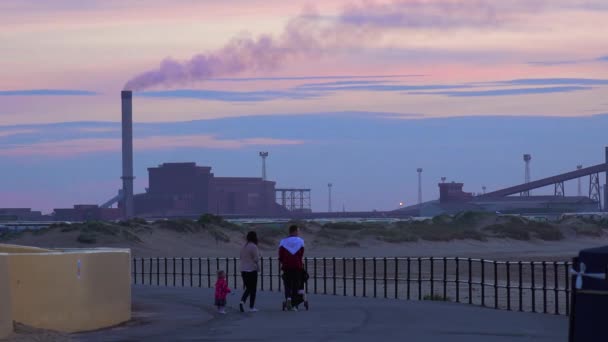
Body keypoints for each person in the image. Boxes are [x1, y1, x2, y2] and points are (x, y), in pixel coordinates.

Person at [279, 224, 305, 311]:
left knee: (287, 283)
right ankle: (294, 305)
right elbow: (301, 254)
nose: (298, 232)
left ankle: (288, 298)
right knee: (296, 284)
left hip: (286, 266)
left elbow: (281, 255)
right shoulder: (300, 241)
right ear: (294, 231)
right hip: (297, 266)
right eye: (298, 231)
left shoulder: (283, 241)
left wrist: (283, 262)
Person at [239, 231, 260, 313]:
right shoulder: (254, 246)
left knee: (248, 288)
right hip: (251, 270)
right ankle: (251, 307)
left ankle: (242, 301)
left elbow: (240, 257)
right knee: (253, 289)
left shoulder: (243, 246)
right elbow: (256, 259)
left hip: (243, 270)